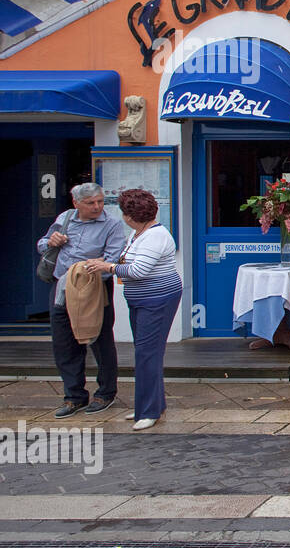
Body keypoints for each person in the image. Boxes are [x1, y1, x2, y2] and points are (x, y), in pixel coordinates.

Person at [84, 189, 183, 431]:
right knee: (147, 353)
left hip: (157, 300)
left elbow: (138, 271)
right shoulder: (139, 233)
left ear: (129, 216)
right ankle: (150, 405)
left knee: (146, 355)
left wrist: (107, 267)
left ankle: (148, 411)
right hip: (143, 299)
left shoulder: (154, 237)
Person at [37, 182, 127, 418]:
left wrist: (90, 267)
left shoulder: (112, 224)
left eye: (100, 201)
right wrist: (51, 242)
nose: (97, 206)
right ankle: (74, 396)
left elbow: (112, 261)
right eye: (90, 203)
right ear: (76, 203)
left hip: (94, 287)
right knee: (64, 342)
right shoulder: (65, 218)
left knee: (100, 340)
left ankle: (106, 392)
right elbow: (41, 245)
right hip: (62, 286)